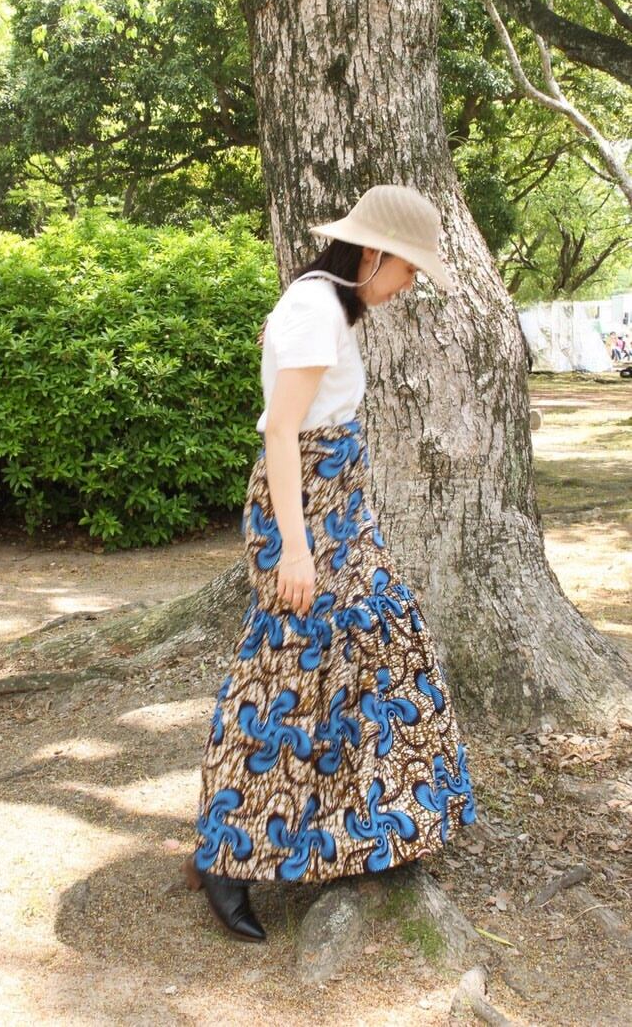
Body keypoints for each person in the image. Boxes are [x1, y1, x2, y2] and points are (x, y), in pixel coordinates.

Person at [183, 184, 477, 941]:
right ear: (372, 253)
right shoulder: (316, 307)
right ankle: (226, 853)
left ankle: (364, 825)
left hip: (338, 505)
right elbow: (283, 433)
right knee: (285, 674)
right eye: (406, 269)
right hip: (306, 511)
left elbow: (303, 394)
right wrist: (296, 547)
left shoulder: (321, 304)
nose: (407, 285)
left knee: (377, 645)